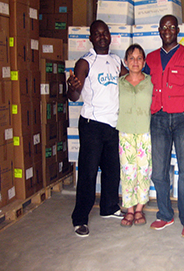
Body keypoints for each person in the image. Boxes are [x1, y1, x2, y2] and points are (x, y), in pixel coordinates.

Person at [143, 15, 184, 238]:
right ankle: (165, 215)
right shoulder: (149, 59)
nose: (167, 30)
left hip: (183, 119)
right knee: (159, 172)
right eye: (163, 27)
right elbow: (139, 86)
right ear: (159, 31)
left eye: (171, 27)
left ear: (177, 30)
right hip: (158, 119)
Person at [67, 20, 128, 237]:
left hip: (113, 124)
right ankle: (80, 218)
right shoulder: (85, 62)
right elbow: (74, 95)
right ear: (91, 38)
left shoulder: (116, 61)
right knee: (88, 172)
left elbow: (129, 81)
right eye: (97, 34)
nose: (102, 37)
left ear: (110, 36)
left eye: (105, 33)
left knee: (113, 171)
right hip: (92, 125)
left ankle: (109, 207)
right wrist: (71, 88)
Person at [117, 44, 153, 227]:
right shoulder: (120, 83)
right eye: (131, 58)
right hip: (125, 131)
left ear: (144, 62)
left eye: (139, 58)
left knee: (144, 171)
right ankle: (129, 210)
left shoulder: (150, 82)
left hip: (145, 132)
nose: (135, 62)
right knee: (128, 171)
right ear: (125, 61)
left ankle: (139, 208)